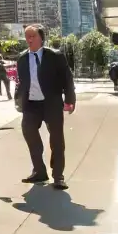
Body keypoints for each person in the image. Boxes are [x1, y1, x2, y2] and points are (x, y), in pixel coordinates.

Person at [14, 23, 76, 190]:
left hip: (51, 103)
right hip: (31, 105)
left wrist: (69, 100)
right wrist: (18, 100)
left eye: (33, 36)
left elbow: (67, 79)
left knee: (56, 139)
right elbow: (21, 83)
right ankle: (39, 171)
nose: (29, 39)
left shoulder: (55, 56)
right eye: (27, 36)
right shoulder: (22, 58)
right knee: (29, 133)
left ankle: (58, 176)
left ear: (41, 38)